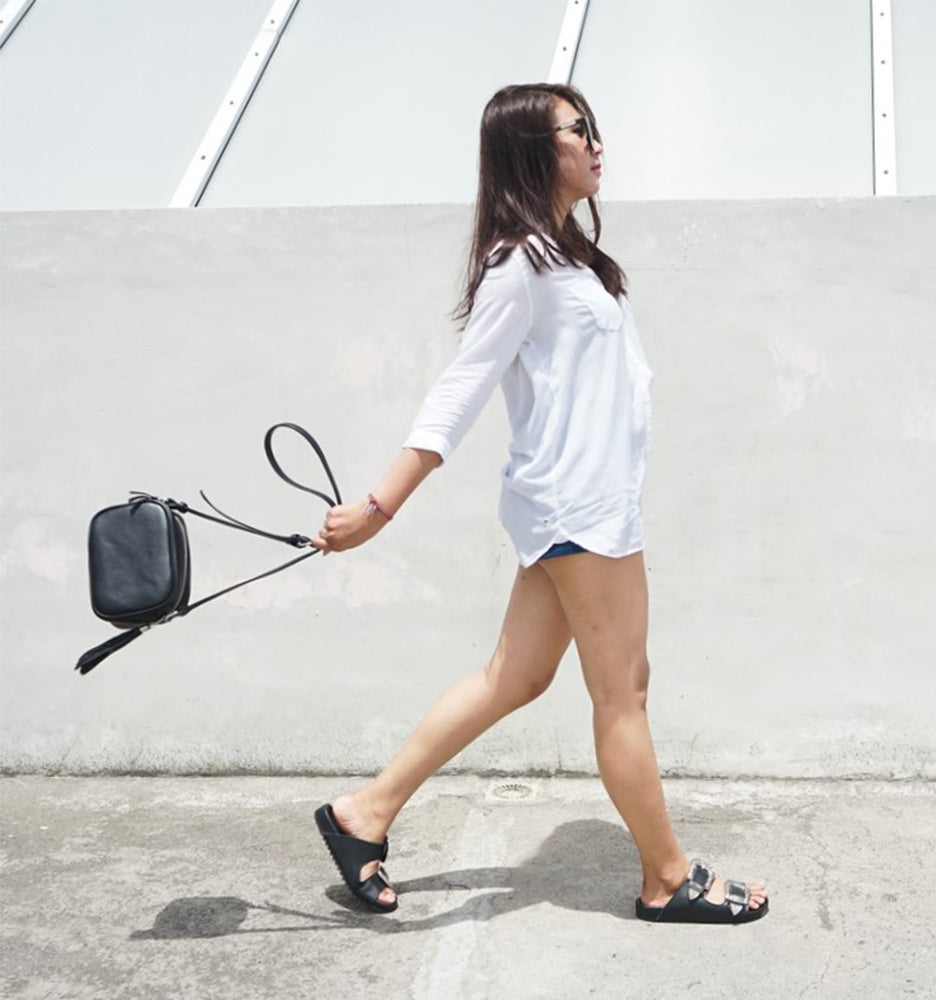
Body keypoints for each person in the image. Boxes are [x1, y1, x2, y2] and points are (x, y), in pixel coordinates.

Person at [311, 83, 769, 925]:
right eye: (578, 129)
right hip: (578, 511)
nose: (598, 142)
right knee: (622, 692)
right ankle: (666, 876)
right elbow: (460, 390)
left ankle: (362, 814)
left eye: (596, 125)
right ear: (531, 149)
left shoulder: (567, 256)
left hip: (582, 504)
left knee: (513, 677)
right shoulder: (519, 264)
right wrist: (379, 507)